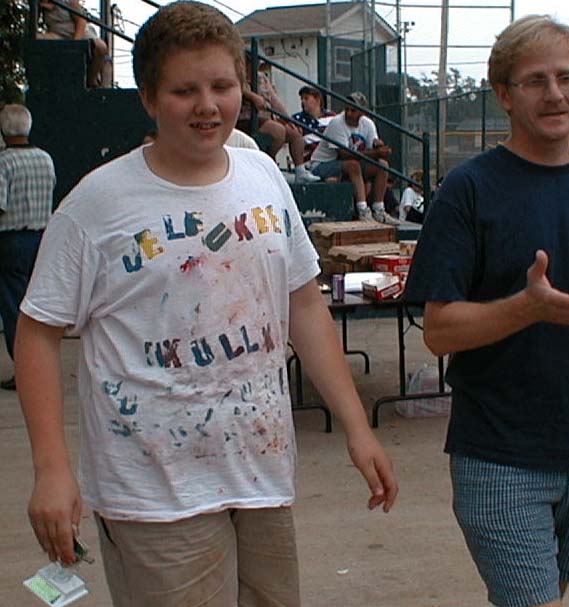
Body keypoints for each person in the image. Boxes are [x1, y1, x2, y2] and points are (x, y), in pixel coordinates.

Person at [15, 4, 397, 607]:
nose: (207, 105)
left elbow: (302, 303)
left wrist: (356, 427)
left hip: (260, 474)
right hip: (152, 492)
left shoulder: (262, 176)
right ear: (148, 98)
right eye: (183, 90)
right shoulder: (96, 204)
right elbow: (37, 332)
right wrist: (52, 469)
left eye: (221, 86)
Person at [404, 15, 569, 607]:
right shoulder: (467, 190)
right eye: (534, 81)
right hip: (500, 452)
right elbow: (440, 332)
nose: (555, 94)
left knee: (554, 590)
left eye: (567, 78)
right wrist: (526, 307)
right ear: (503, 93)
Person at [0, 105, 55, 391]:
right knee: (37, 309)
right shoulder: (45, 159)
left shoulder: (3, 162)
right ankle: (41, 367)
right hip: (42, 239)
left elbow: (1, 203)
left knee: (12, 309)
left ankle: (23, 371)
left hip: (11, 241)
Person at [308, 92, 395, 223]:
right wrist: (375, 153)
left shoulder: (368, 124)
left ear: (362, 112)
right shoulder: (337, 123)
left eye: (353, 110)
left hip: (348, 165)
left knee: (382, 165)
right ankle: (362, 210)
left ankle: (378, 209)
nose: (349, 113)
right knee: (352, 165)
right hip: (322, 164)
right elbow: (344, 154)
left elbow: (373, 147)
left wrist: (380, 147)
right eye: (347, 109)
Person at [238, 60, 319, 183]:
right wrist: (253, 97)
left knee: (295, 132)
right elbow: (237, 88)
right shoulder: (237, 76)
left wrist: (288, 120)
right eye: (251, 63)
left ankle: (300, 171)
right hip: (245, 119)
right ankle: (270, 167)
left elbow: (274, 100)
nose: (255, 67)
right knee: (278, 131)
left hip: (266, 118)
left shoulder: (262, 77)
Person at [38, 0, 112, 88]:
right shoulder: (38, 4)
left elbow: (81, 21)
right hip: (57, 34)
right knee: (36, 38)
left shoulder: (69, 1)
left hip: (78, 33)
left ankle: (91, 80)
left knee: (101, 47)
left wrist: (75, 43)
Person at [291, 85, 336, 165]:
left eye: (306, 98)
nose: (303, 102)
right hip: (310, 161)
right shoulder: (297, 119)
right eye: (302, 99)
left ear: (317, 100)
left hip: (330, 158)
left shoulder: (332, 117)